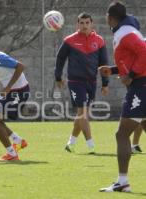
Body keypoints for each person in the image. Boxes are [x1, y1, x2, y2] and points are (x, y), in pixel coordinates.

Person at [99, 1, 146, 192]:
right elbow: (134, 57)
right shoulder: (127, 30)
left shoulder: (125, 33)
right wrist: (114, 70)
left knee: (121, 134)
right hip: (140, 85)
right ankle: (122, 181)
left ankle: (123, 182)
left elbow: (144, 52)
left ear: (110, 18)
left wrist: (131, 75)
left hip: (141, 87)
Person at [55, 12, 109, 154]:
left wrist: (105, 83)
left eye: (87, 23)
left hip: (91, 82)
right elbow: (60, 59)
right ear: (77, 24)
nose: (84, 25)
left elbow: (104, 64)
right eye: (81, 23)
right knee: (82, 113)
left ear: (92, 24)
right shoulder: (69, 40)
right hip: (75, 81)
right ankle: (91, 145)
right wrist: (58, 77)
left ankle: (70, 143)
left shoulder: (99, 40)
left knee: (82, 114)